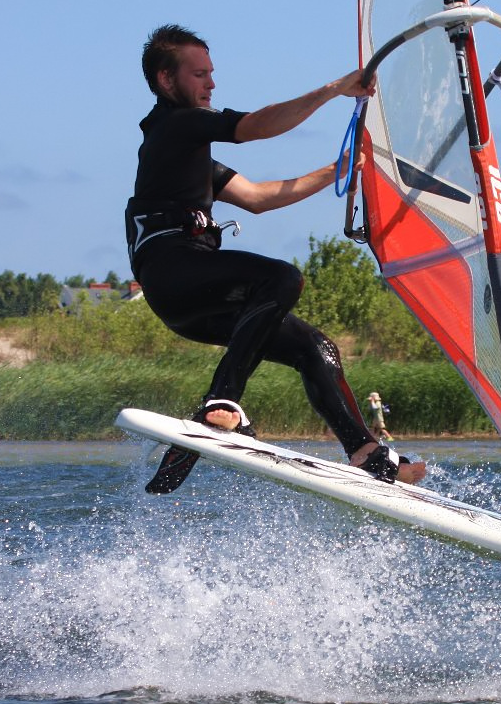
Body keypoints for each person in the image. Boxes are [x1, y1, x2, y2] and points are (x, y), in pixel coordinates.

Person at [125, 24, 425, 490]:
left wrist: (335, 172)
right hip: (175, 274)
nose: (211, 84)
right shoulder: (175, 125)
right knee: (281, 279)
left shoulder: (188, 154)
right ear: (167, 80)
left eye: (211, 73)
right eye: (199, 74)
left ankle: (365, 451)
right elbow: (254, 127)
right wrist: (334, 89)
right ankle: (221, 404)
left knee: (313, 347)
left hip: (196, 302)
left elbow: (259, 197)